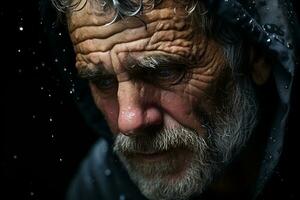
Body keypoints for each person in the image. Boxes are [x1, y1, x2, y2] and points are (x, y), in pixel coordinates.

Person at [42, 0, 299, 199]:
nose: (128, 121)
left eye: (164, 72)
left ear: (256, 55)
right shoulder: (102, 187)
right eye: (103, 82)